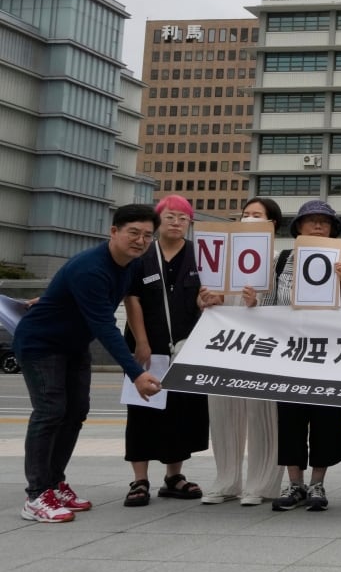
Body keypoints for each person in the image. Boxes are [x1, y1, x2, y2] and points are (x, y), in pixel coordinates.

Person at [13, 204, 164, 522]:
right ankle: (36, 495)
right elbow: (103, 325)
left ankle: (55, 483)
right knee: (50, 412)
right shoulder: (91, 268)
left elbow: (121, 300)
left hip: (73, 345)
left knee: (76, 411)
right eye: (133, 233)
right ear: (114, 232)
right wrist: (135, 372)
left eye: (147, 235)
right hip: (42, 344)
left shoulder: (133, 264)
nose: (140, 240)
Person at [258, 200, 341, 512]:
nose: (316, 226)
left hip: (328, 355)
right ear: (297, 226)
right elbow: (269, 303)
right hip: (290, 353)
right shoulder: (283, 259)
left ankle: (317, 484)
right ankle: (294, 483)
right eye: (310, 221)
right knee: (290, 418)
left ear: (333, 229)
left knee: (326, 418)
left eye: (323, 222)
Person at [121, 195, 210, 506]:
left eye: (183, 218)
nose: (176, 222)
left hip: (188, 348)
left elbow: (206, 296)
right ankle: (140, 479)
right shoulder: (142, 255)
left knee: (182, 412)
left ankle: (174, 476)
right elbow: (132, 299)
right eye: (170, 216)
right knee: (142, 409)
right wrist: (141, 341)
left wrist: (206, 300)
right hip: (147, 347)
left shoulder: (200, 256)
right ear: (158, 221)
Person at [198, 197, 284, 506]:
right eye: (245, 215)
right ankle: (226, 480)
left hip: (262, 347)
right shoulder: (220, 257)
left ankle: (261, 484)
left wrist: (255, 302)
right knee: (222, 413)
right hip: (224, 343)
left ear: (271, 224)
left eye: (257, 216)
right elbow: (205, 301)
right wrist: (206, 300)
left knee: (261, 414)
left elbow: (284, 306)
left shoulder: (280, 260)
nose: (248, 220)